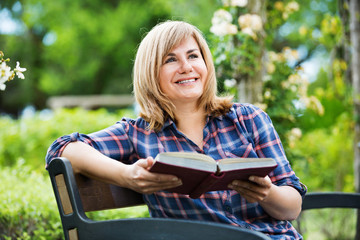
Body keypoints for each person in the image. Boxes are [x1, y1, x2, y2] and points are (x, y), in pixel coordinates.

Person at [46, 20, 306, 239]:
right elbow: (62, 149)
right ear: (151, 73)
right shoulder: (138, 133)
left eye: (193, 56)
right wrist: (126, 176)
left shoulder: (249, 119)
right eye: (171, 59)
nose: (186, 67)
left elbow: (292, 207)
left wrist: (267, 193)